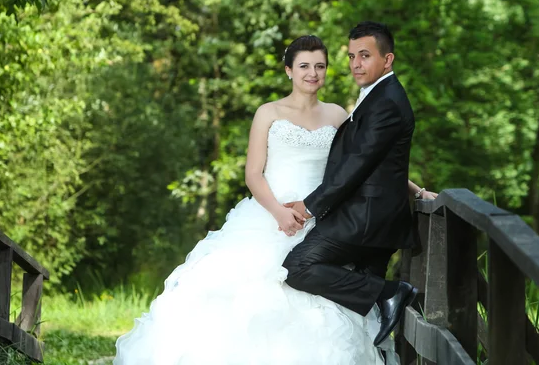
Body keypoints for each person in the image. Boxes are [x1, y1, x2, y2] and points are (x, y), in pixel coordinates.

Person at [114, 34, 435, 365]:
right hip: (271, 214)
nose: (313, 73)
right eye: (304, 66)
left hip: (321, 216)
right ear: (289, 71)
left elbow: (368, 164)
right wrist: (278, 214)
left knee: (314, 284)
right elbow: (253, 174)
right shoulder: (268, 112)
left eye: (320, 66)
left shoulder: (338, 115)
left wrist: (417, 190)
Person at [283, 21, 424, 347]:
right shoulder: (378, 95)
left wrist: (309, 206)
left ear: (387, 60)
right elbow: (380, 161)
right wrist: (415, 189)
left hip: (367, 216)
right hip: (371, 213)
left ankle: (391, 292)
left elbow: (356, 166)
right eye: (350, 56)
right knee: (363, 320)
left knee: (298, 267)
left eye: (364, 55)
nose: (355, 64)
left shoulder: (386, 101)